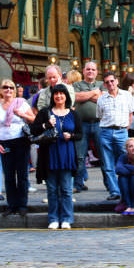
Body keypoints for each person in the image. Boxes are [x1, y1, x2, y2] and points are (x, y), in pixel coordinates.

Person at [32, 84, 81, 230]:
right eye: (56, 94)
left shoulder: (73, 114)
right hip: (49, 155)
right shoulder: (45, 112)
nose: (59, 96)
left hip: (67, 155)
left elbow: (80, 134)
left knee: (66, 189)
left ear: (67, 96)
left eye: (62, 93)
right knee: (52, 189)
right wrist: (46, 125)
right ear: (52, 96)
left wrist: (71, 136)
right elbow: (34, 130)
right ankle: (53, 218)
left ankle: (67, 218)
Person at [0, 79, 33, 217]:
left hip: (21, 141)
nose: (8, 90)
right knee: (9, 176)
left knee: (22, 175)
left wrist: (22, 115)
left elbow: (33, 119)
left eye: (11, 87)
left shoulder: (21, 103)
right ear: (1, 90)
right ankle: (11, 205)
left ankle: (22, 204)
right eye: (5, 87)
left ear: (14, 90)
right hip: (5, 142)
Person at [97, 71, 133, 201]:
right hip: (105, 132)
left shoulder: (127, 95)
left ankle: (127, 188)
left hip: (122, 131)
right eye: (107, 82)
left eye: (112, 81)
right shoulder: (101, 99)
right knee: (107, 164)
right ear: (104, 85)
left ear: (117, 81)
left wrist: (125, 129)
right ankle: (114, 191)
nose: (110, 84)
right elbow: (100, 116)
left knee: (126, 161)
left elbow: (130, 114)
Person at [73, 61, 103, 194]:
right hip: (81, 124)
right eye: (88, 69)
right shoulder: (77, 85)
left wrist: (86, 95)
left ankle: (111, 186)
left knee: (104, 156)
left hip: (99, 124)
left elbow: (103, 99)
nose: (90, 71)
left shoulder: (102, 84)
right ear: (83, 71)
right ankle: (78, 184)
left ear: (97, 72)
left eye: (93, 69)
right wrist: (94, 93)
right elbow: (76, 97)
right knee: (80, 156)